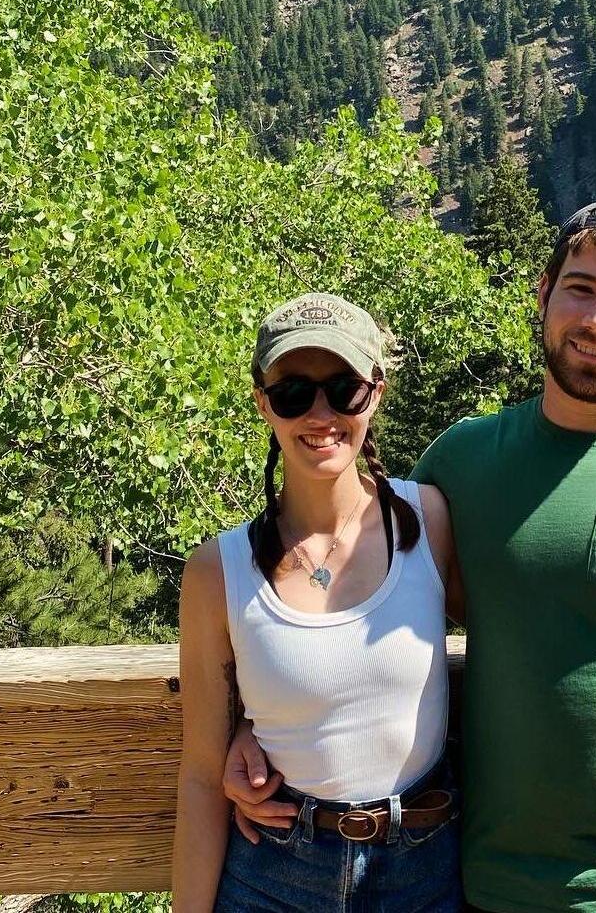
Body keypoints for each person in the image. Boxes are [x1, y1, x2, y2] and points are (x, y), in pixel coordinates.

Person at [227, 200, 596, 913]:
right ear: (543, 293)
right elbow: (343, 608)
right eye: (581, 287)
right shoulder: (460, 465)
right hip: (481, 887)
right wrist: (254, 731)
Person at [173, 292, 463, 913]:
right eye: (293, 393)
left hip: (424, 870)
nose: (320, 413)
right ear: (263, 404)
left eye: (343, 389)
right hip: (274, 875)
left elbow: (520, 637)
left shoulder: (430, 523)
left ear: (375, 392)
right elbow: (201, 777)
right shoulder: (215, 574)